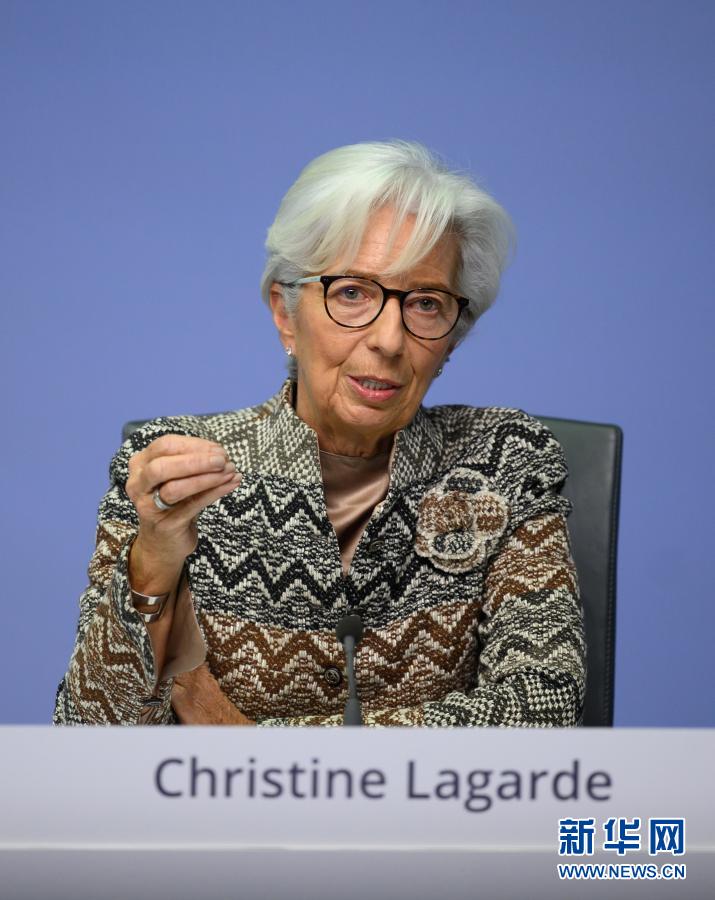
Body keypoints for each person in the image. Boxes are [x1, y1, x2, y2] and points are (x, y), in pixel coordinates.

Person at [53, 140, 585, 727]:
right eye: (352, 293)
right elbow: (87, 735)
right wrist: (153, 559)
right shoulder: (174, 472)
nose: (389, 339)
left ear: (452, 338)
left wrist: (246, 742)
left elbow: (544, 706)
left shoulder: (505, 459)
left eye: (426, 304)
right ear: (286, 313)